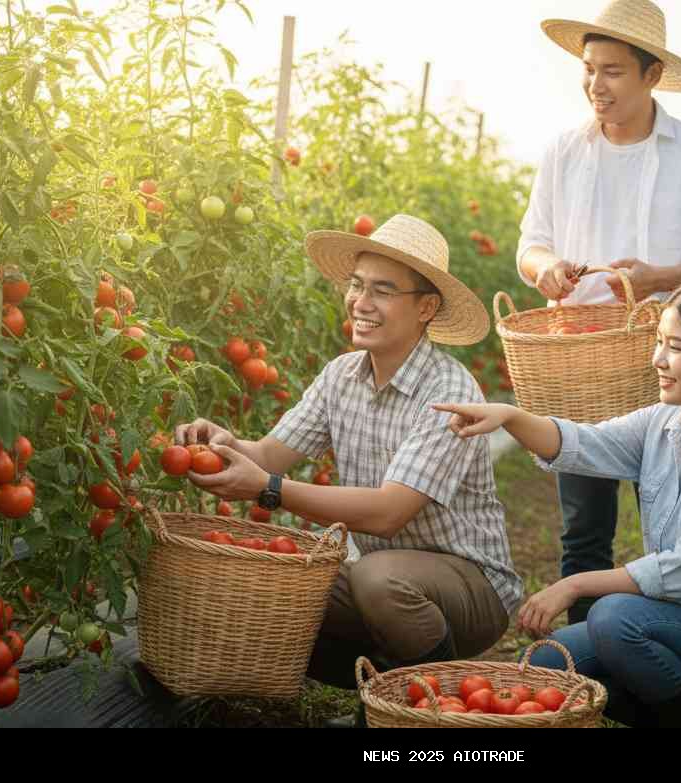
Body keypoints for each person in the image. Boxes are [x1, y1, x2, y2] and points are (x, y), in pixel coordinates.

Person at [175, 214, 522, 728]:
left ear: (426, 307)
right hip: (383, 580)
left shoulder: (449, 392)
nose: (361, 301)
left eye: (383, 290)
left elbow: (388, 514)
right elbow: (268, 454)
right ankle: (387, 687)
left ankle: (434, 710)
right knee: (279, 590)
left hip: (471, 585)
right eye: (357, 285)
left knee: (378, 579)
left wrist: (269, 490)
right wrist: (225, 444)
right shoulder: (342, 375)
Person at [434, 280, 681, 727]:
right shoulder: (662, 424)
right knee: (551, 668)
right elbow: (582, 443)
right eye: (658, 342)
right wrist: (510, 417)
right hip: (679, 623)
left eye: (675, 347)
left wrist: (575, 585)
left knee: (615, 618)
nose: (658, 359)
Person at [516, 0, 681, 623]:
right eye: (589, 69)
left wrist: (662, 278)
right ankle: (583, 657)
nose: (596, 84)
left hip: (669, 359)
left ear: (653, 75)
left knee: (674, 528)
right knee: (583, 529)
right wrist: (546, 268)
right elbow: (530, 244)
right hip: (582, 359)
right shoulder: (563, 152)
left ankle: (664, 646)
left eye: (613, 71)